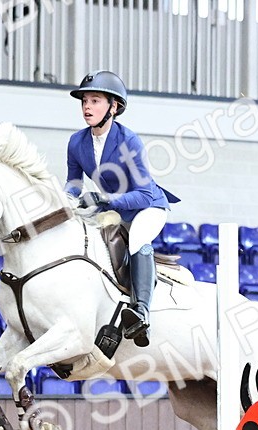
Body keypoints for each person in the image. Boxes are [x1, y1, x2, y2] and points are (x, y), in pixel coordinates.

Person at [66, 70, 180, 346]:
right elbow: (73, 184)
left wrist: (106, 202)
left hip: (147, 207)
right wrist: (66, 204)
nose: (87, 107)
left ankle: (141, 312)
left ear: (113, 107)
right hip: (114, 209)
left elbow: (141, 193)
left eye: (95, 101)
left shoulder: (129, 140)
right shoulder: (76, 142)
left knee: (138, 238)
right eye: (84, 101)